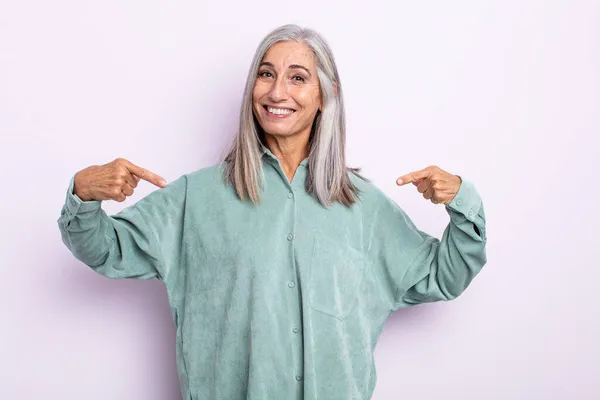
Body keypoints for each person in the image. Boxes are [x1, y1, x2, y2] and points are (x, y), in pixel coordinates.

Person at [57, 24, 487, 400]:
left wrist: (461, 202)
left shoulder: (363, 207)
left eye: (297, 77)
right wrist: (84, 193)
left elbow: (442, 276)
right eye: (266, 74)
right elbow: (106, 249)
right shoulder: (196, 197)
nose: (277, 91)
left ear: (326, 95)